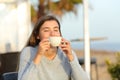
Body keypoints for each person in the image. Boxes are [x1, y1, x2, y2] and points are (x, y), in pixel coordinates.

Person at [18, 15, 89, 80]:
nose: (52, 34)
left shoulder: (67, 54)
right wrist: (38, 55)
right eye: (46, 30)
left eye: (56, 30)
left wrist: (71, 57)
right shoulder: (29, 52)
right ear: (37, 35)